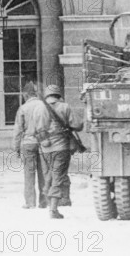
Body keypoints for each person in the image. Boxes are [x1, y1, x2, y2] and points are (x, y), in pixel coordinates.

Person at [40, 85, 83, 219]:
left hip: (44, 147)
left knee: (48, 174)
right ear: (58, 95)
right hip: (61, 146)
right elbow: (78, 125)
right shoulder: (64, 107)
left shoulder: (38, 108)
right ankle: (53, 209)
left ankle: (47, 199)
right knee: (58, 176)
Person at [13, 82, 48, 209]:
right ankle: (44, 201)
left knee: (29, 173)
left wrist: (16, 148)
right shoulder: (44, 106)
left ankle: (30, 202)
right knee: (44, 173)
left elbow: (18, 130)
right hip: (43, 143)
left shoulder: (23, 108)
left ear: (26, 94)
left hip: (28, 143)